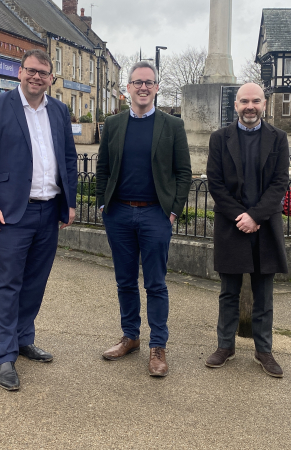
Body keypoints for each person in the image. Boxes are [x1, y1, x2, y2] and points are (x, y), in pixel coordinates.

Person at [0, 49, 77, 392]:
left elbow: (68, 158)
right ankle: (4, 356)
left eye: (43, 73)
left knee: (35, 282)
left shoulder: (59, 110)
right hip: (11, 212)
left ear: (50, 79)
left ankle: (22, 338)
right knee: (8, 284)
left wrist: (69, 203)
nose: (36, 77)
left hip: (49, 211)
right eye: (31, 71)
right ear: (20, 72)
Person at [95, 61, 192, 377]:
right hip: (119, 213)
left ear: (157, 87)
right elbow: (104, 168)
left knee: (155, 283)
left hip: (155, 214)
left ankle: (158, 347)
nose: (143, 87)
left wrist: (173, 211)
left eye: (149, 82)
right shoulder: (113, 124)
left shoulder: (172, 126)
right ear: (128, 88)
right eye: (137, 82)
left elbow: (182, 173)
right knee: (124, 280)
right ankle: (130, 336)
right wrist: (101, 204)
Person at [204, 83, 290, 377]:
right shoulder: (220, 138)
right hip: (231, 224)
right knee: (228, 291)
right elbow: (215, 183)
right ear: (236, 105)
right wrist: (240, 215)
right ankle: (224, 346)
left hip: (265, 226)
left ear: (264, 104)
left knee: (263, 293)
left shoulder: (278, 138)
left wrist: (255, 216)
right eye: (244, 101)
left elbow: (279, 183)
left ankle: (263, 350)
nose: (249, 106)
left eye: (255, 101)